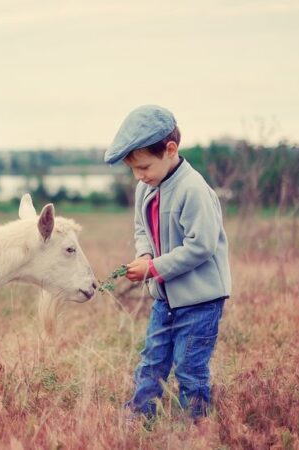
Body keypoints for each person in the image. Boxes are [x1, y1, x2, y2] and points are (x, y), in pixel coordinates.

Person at [104, 105, 232, 423]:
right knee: (152, 359)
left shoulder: (193, 189)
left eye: (144, 166)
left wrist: (154, 268)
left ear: (170, 150)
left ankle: (195, 423)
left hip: (201, 301)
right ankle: (141, 413)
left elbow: (201, 246)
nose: (139, 175)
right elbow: (142, 231)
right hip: (165, 298)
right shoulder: (145, 188)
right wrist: (145, 256)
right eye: (133, 170)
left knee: (189, 366)